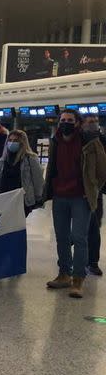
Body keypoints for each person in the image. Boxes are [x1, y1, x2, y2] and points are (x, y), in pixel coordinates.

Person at [44, 109, 106, 298]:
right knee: (62, 237)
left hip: (81, 196)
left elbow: (102, 170)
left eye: (70, 120)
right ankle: (64, 274)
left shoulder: (90, 142)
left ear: (77, 123)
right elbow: (52, 167)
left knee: (79, 237)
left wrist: (92, 190)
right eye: (63, 120)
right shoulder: (55, 141)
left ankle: (78, 279)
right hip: (60, 195)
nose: (66, 123)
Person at [0, 129, 44, 216]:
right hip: (4, 200)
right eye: (10, 140)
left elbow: (38, 180)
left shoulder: (30, 158)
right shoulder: (2, 160)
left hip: (23, 201)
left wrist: (38, 198)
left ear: (22, 142)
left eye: (16, 140)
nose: (12, 142)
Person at [83, 114, 106, 275]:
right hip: (78, 191)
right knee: (79, 228)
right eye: (90, 122)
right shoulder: (79, 141)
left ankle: (93, 262)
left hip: (95, 191)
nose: (94, 124)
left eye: (96, 122)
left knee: (94, 226)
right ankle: (70, 257)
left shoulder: (103, 140)